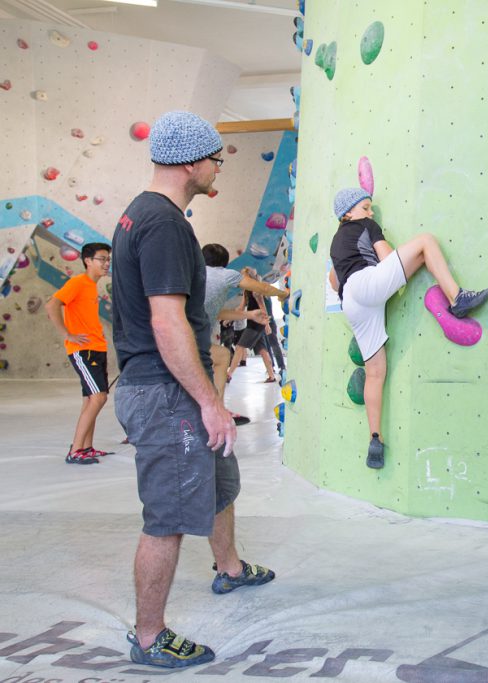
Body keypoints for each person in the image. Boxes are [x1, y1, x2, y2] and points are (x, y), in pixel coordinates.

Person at [110, 111, 275, 670]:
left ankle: (230, 568)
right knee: (170, 517)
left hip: (170, 386)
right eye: (215, 158)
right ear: (190, 161)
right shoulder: (163, 225)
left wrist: (210, 400)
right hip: (163, 393)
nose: (218, 167)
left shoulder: (145, 216)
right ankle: (150, 636)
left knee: (220, 481)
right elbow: (167, 323)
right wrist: (208, 402)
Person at [329, 188, 488, 469]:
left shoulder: (336, 242)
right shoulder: (366, 225)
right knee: (426, 241)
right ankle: (456, 298)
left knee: (375, 372)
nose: (370, 212)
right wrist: (400, 259)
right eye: (366, 207)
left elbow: (334, 281)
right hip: (367, 284)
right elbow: (388, 257)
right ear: (348, 213)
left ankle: (375, 438)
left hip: (351, 302)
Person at [44, 242, 113, 465]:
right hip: (83, 350)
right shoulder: (78, 283)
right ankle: (75, 450)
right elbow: (51, 305)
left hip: (97, 348)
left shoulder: (91, 286)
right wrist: (67, 334)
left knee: (91, 400)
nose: (106, 263)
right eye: (102, 259)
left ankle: (86, 447)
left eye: (108, 259)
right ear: (87, 261)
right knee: (99, 397)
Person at [201, 243, 287, 419]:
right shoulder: (226, 275)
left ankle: (216, 409)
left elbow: (213, 313)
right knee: (223, 356)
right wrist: (283, 294)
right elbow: (261, 288)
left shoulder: (198, 275)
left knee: (221, 356)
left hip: (181, 337)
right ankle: (218, 410)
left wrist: (249, 315)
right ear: (225, 263)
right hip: (189, 339)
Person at [225, 267, 278, 384]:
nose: (241, 279)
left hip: (256, 324)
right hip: (253, 323)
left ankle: (229, 375)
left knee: (239, 347)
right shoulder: (246, 291)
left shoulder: (255, 290)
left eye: (243, 276)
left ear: (249, 277)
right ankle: (271, 376)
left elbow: (262, 307)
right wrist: (229, 318)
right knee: (263, 350)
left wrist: (266, 324)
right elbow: (241, 307)